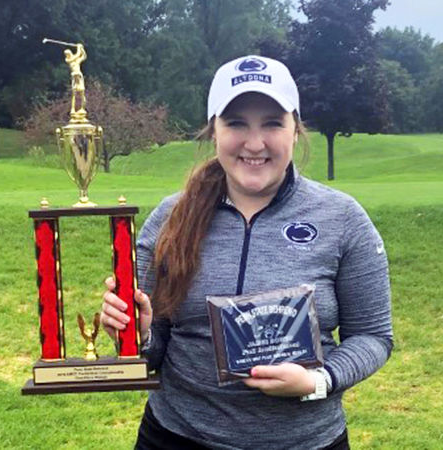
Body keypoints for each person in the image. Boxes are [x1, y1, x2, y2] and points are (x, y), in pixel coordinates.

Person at [100, 55, 393, 449]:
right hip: (176, 437)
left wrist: (317, 381)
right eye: (236, 123)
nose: (254, 144)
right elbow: (150, 354)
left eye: (272, 123)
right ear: (213, 131)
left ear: (295, 129)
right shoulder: (170, 217)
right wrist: (139, 332)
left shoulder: (342, 218)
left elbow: (373, 336)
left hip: (306, 442)